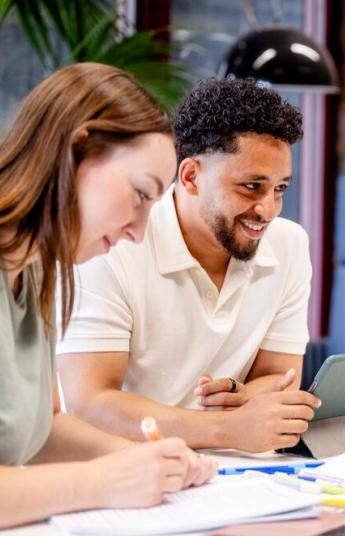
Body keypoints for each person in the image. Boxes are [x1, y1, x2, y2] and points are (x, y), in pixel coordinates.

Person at [0, 63, 216, 529]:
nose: (138, 232)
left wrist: (147, 461)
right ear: (77, 148)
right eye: (140, 195)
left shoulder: (37, 271)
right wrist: (105, 481)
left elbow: (43, 431)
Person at [56, 78, 321, 452]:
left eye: (279, 189)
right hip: (125, 462)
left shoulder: (289, 244)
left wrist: (240, 397)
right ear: (191, 177)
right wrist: (226, 429)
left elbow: (280, 380)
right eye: (251, 186)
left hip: (235, 468)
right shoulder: (112, 242)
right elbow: (90, 403)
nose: (268, 210)